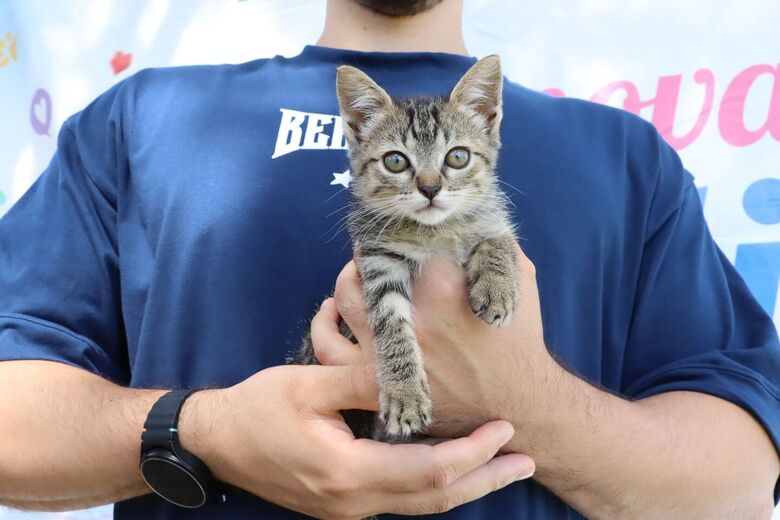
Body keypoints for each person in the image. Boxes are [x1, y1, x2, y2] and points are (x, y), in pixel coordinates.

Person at [0, 0, 778, 518]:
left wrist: (530, 405)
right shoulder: (144, 118)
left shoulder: (627, 156)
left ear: (488, 123)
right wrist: (206, 431)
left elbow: (747, 476)